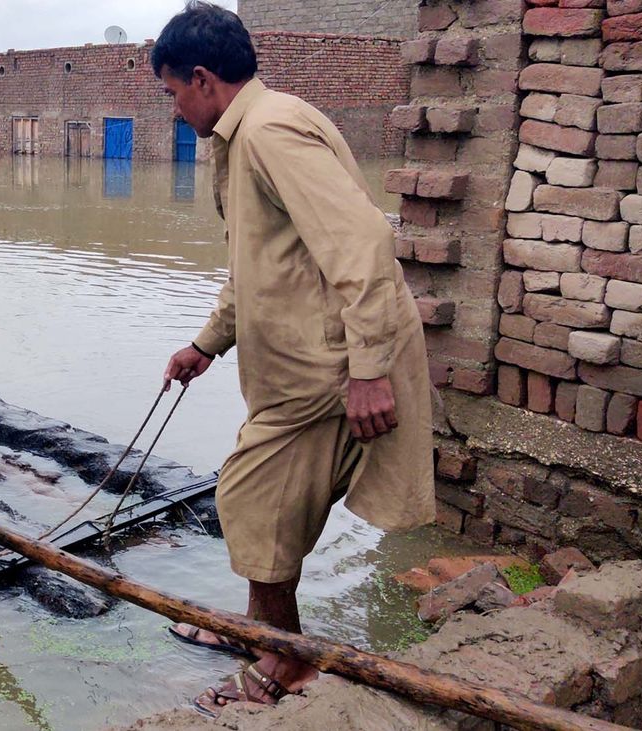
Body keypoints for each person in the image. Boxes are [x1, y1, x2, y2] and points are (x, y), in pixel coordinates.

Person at [152, 2, 434, 717]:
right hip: (301, 367)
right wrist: (205, 344)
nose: (176, 108)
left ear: (203, 79)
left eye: (173, 92)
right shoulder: (250, 131)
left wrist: (369, 368)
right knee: (267, 506)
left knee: (252, 497)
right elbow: (256, 264)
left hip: (327, 367)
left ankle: (285, 659)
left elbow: (363, 241)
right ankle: (263, 636)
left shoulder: (270, 132)